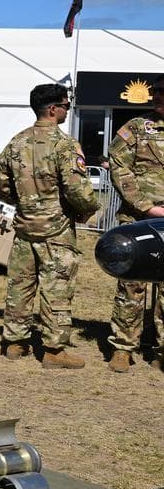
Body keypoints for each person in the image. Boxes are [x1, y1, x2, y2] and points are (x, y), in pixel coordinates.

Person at [0, 84, 100, 369]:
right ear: (53, 109)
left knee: (21, 286)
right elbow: (78, 190)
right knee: (57, 288)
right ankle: (54, 350)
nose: (67, 110)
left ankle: (15, 342)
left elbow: (0, 179)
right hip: (57, 230)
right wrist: (87, 211)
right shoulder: (64, 144)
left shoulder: (16, 142)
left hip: (25, 227)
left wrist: (23, 200)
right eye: (65, 105)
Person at [105, 74, 164, 373]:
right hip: (138, 220)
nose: (159, 99)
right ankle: (123, 347)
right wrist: (147, 207)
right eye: (157, 94)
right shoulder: (136, 130)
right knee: (131, 286)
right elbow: (119, 168)